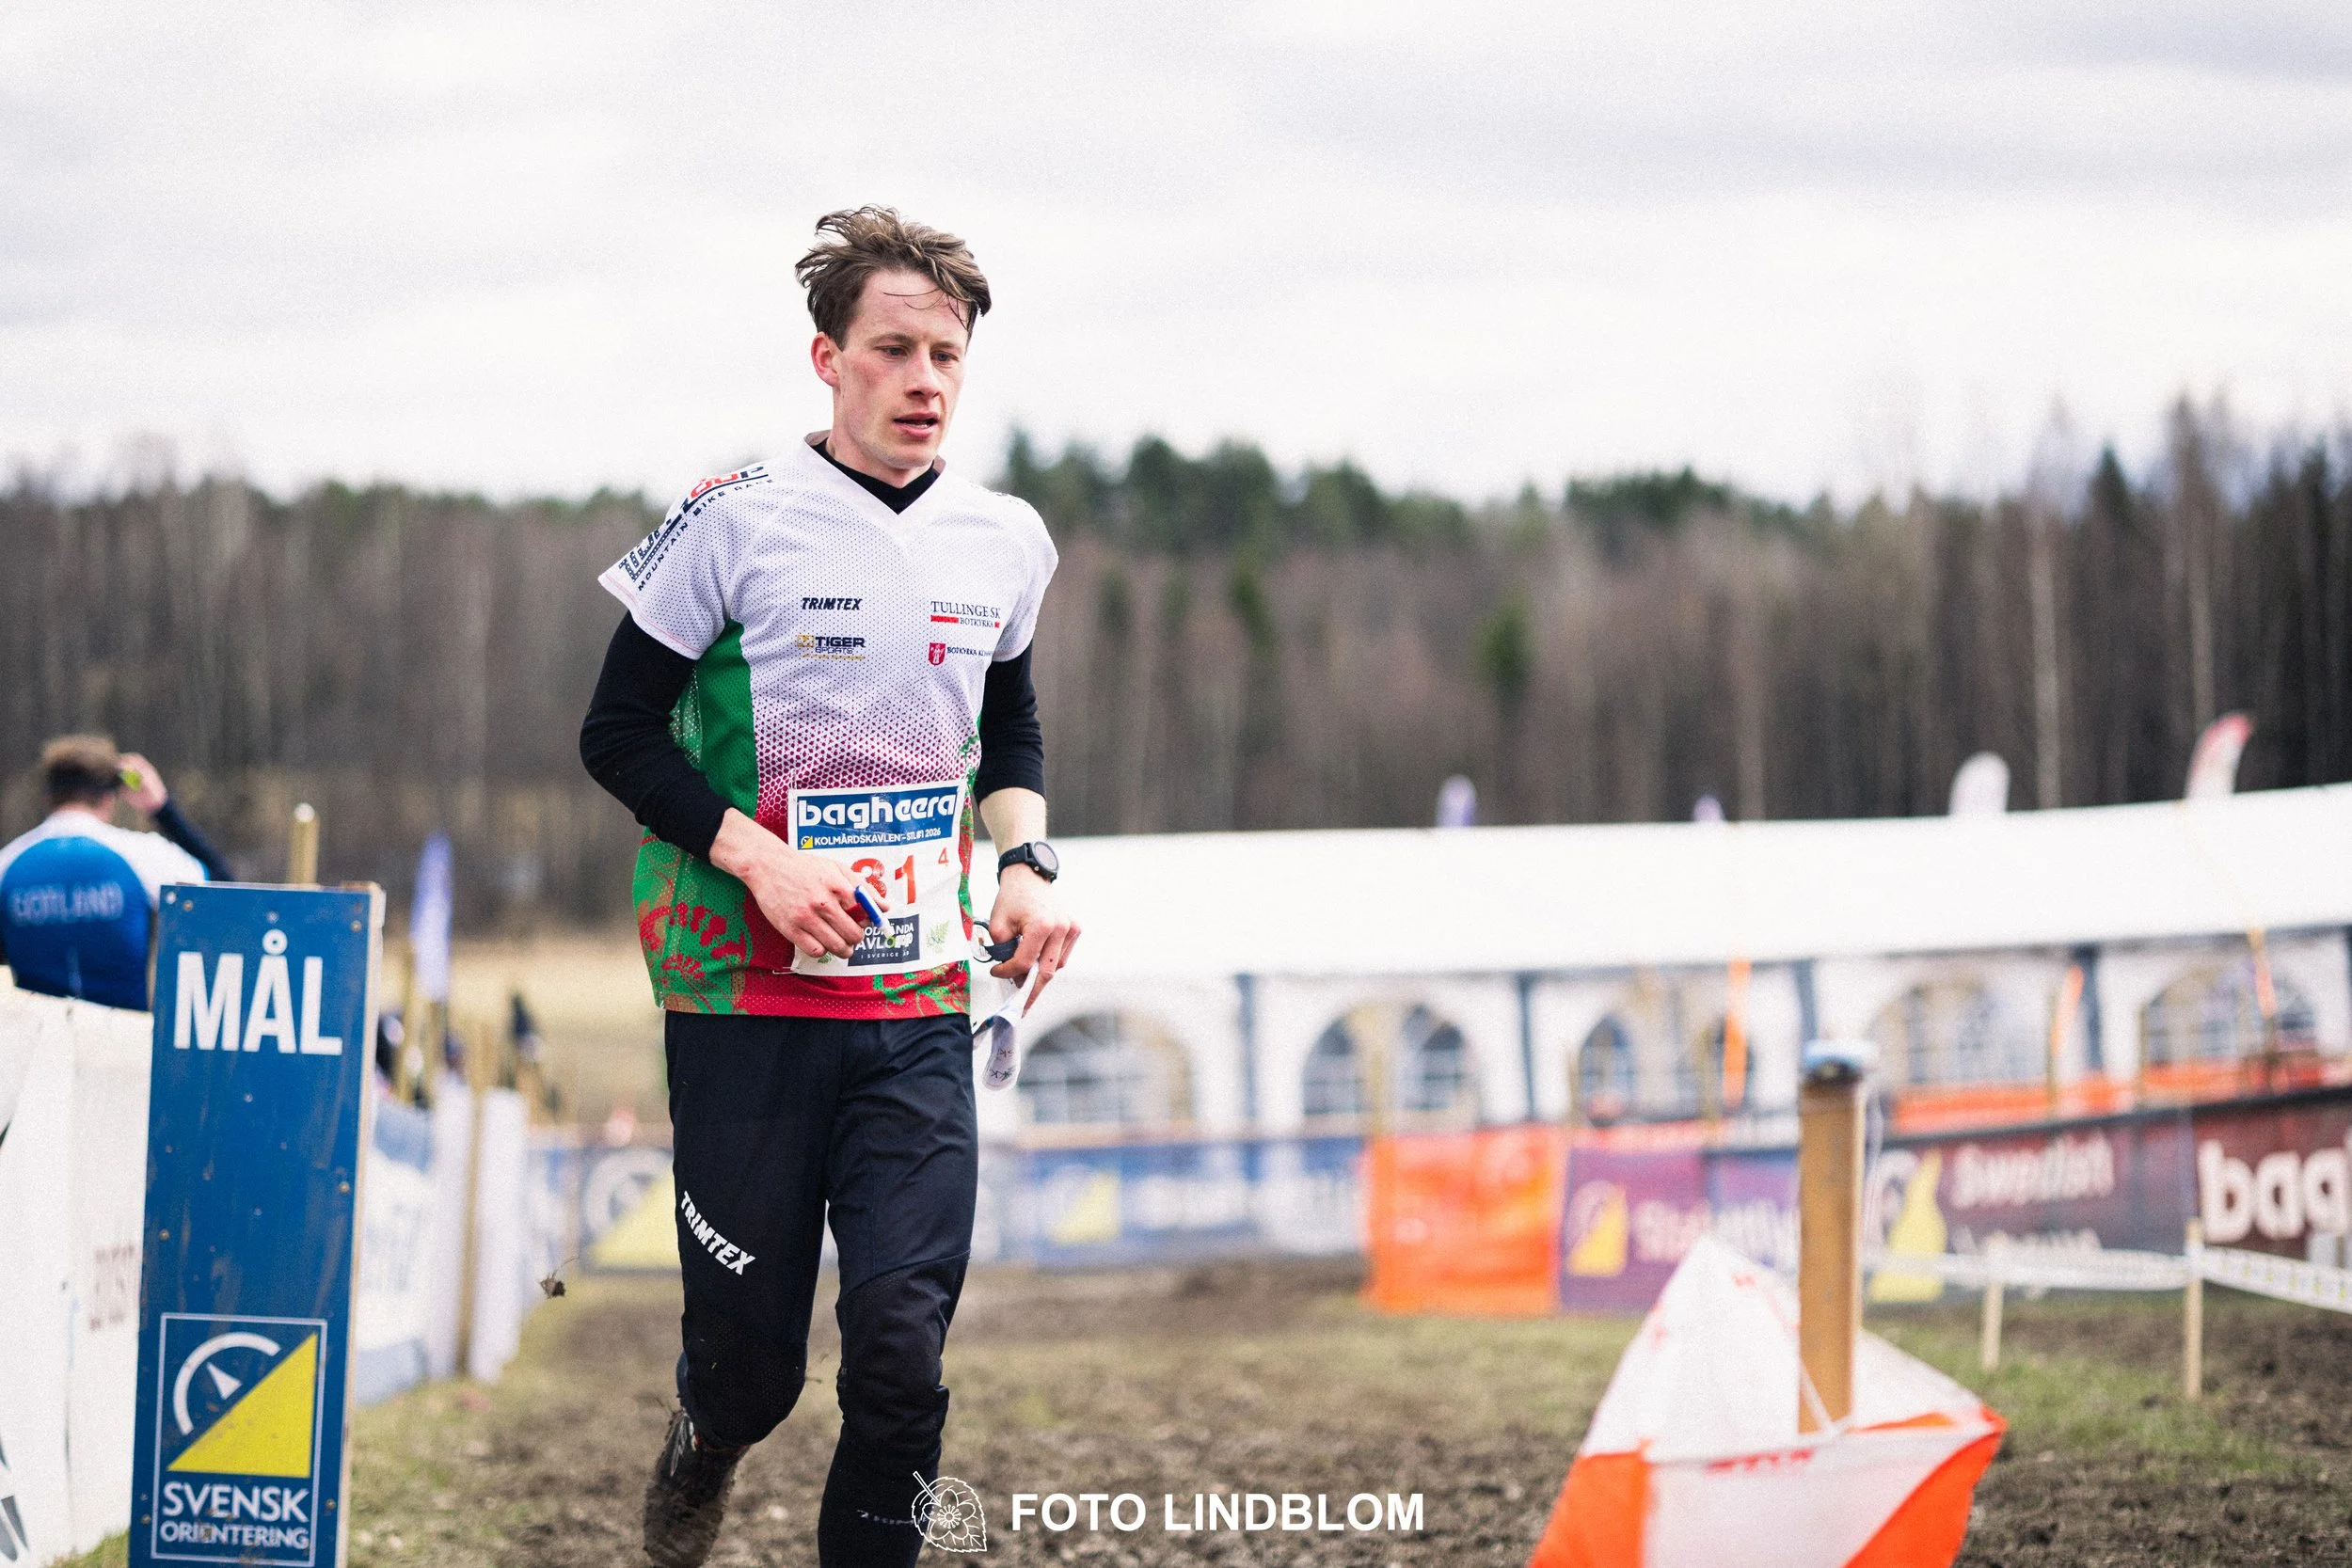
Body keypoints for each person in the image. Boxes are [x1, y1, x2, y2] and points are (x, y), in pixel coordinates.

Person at [580, 206, 1079, 1568]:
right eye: (895, 349)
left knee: (905, 1357)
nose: (926, 380)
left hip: (916, 997)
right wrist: (760, 854)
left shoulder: (1005, 540)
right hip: (741, 991)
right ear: (827, 358)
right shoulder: (732, 519)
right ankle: (704, 1435)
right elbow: (613, 733)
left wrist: (1025, 858)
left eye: (949, 354)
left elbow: (1012, 723)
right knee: (753, 1370)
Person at [0, 735, 233, 1010]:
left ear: (49, 795)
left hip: (34, 1045)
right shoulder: (142, 854)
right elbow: (227, 894)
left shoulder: (8, 863)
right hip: (122, 1044)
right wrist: (162, 808)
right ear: (110, 796)